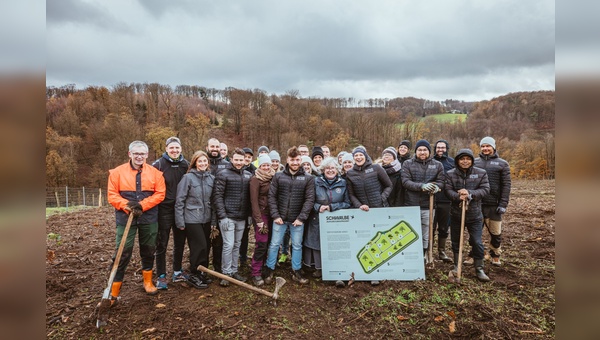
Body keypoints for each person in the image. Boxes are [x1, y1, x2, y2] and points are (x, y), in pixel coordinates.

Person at [106, 141, 165, 301]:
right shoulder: (117, 173)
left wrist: (142, 205)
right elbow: (112, 195)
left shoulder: (155, 173)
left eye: (142, 154)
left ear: (147, 155)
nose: (139, 156)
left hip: (149, 217)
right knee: (122, 252)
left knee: (148, 249)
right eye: (136, 153)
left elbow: (160, 194)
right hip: (125, 218)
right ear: (129, 154)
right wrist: (128, 206)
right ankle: (114, 290)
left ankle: (148, 281)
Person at [264, 146, 315, 285]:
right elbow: (272, 197)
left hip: (297, 220)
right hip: (280, 218)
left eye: (297, 160)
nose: (295, 163)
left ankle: (296, 271)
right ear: (287, 160)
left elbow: (309, 199)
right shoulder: (279, 176)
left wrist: (301, 218)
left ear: (301, 160)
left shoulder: (308, 178)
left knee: (297, 245)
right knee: (274, 244)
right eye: (292, 160)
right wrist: (275, 215)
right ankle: (269, 268)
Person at [345, 146, 393, 286]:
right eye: (356, 156)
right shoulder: (350, 173)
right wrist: (359, 205)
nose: (358, 157)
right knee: (365, 243)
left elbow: (388, 186)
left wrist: (381, 198)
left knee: (380, 241)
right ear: (353, 158)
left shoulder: (376, 168)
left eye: (360, 155)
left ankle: (380, 272)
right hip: (362, 212)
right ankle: (366, 271)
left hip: (379, 210)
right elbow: (351, 194)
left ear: (365, 156)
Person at [444, 148, 491, 282]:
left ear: (472, 160)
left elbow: (485, 189)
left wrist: (469, 194)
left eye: (468, 159)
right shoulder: (450, 174)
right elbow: (448, 190)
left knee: (476, 241)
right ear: (458, 161)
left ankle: (479, 268)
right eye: (462, 159)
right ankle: (456, 265)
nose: (465, 161)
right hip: (456, 214)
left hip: (475, 215)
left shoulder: (481, 173)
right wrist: (458, 196)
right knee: (456, 241)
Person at [174, 151, 217, 289]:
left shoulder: (211, 178)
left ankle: (202, 273)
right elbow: (180, 200)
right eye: (200, 161)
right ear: (195, 163)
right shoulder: (188, 178)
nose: (203, 164)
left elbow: (213, 201)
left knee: (206, 247)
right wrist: (180, 221)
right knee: (199, 246)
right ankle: (194, 274)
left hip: (207, 218)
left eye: (205, 161)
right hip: (192, 218)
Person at [151, 136, 190, 290]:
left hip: (181, 209)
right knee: (162, 243)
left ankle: (177, 271)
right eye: (171, 148)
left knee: (180, 242)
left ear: (181, 149)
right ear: (166, 149)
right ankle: (161, 275)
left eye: (177, 148)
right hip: (164, 209)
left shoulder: (186, 165)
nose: (174, 150)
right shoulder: (158, 165)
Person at [304, 157, 351, 280]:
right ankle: (319, 268)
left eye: (333, 168)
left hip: (337, 221)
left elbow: (347, 203)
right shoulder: (315, 182)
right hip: (317, 218)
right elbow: (309, 200)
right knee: (316, 243)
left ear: (337, 169)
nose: (330, 170)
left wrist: (332, 207)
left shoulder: (343, 183)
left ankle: (337, 269)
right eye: (327, 168)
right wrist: (318, 207)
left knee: (335, 244)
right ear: (323, 170)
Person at [400, 139, 445, 263]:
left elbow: (441, 181)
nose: (422, 152)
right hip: (411, 204)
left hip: (429, 205)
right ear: (416, 151)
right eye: (420, 150)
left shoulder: (437, 165)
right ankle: (410, 254)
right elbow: (405, 182)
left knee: (427, 231)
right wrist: (422, 186)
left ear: (429, 152)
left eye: (425, 149)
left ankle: (425, 254)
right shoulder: (408, 164)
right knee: (411, 231)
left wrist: (437, 187)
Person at [214, 148, 252, 286]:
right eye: (236, 160)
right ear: (231, 159)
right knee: (228, 245)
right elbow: (217, 196)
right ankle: (226, 273)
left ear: (244, 161)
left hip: (241, 217)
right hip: (228, 217)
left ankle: (234, 270)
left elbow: (249, 199)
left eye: (241, 160)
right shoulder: (223, 174)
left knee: (237, 245)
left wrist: (249, 215)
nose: (238, 162)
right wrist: (222, 216)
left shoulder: (248, 175)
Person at [473, 136, 511, 266]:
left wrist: (503, 204)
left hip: (494, 204)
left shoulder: (502, 164)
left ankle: (495, 254)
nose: (485, 148)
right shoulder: (475, 162)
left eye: (488, 146)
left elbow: (506, 185)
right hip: (477, 203)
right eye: (483, 146)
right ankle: (475, 253)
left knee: (495, 232)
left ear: (493, 147)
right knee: (475, 232)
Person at [249, 154, 276, 286]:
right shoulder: (255, 179)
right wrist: (259, 220)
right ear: (259, 166)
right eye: (263, 165)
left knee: (270, 242)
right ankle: (255, 272)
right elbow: (254, 202)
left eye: (268, 165)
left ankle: (266, 267)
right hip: (261, 215)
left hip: (273, 215)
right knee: (262, 243)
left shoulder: (274, 177)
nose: (266, 167)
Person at [206, 138, 229, 273]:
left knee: (219, 241)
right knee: (204, 241)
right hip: (204, 207)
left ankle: (218, 267)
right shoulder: (202, 162)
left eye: (217, 146)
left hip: (221, 207)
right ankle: (202, 267)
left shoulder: (226, 165)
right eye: (212, 146)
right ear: (207, 147)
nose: (214, 149)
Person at [432, 139, 455, 263]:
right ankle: (428, 251)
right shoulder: (431, 162)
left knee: (444, 227)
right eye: (438, 147)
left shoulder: (452, 162)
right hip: (432, 199)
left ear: (447, 149)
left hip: (447, 200)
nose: (440, 150)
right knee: (431, 227)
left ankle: (441, 251)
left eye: (443, 147)